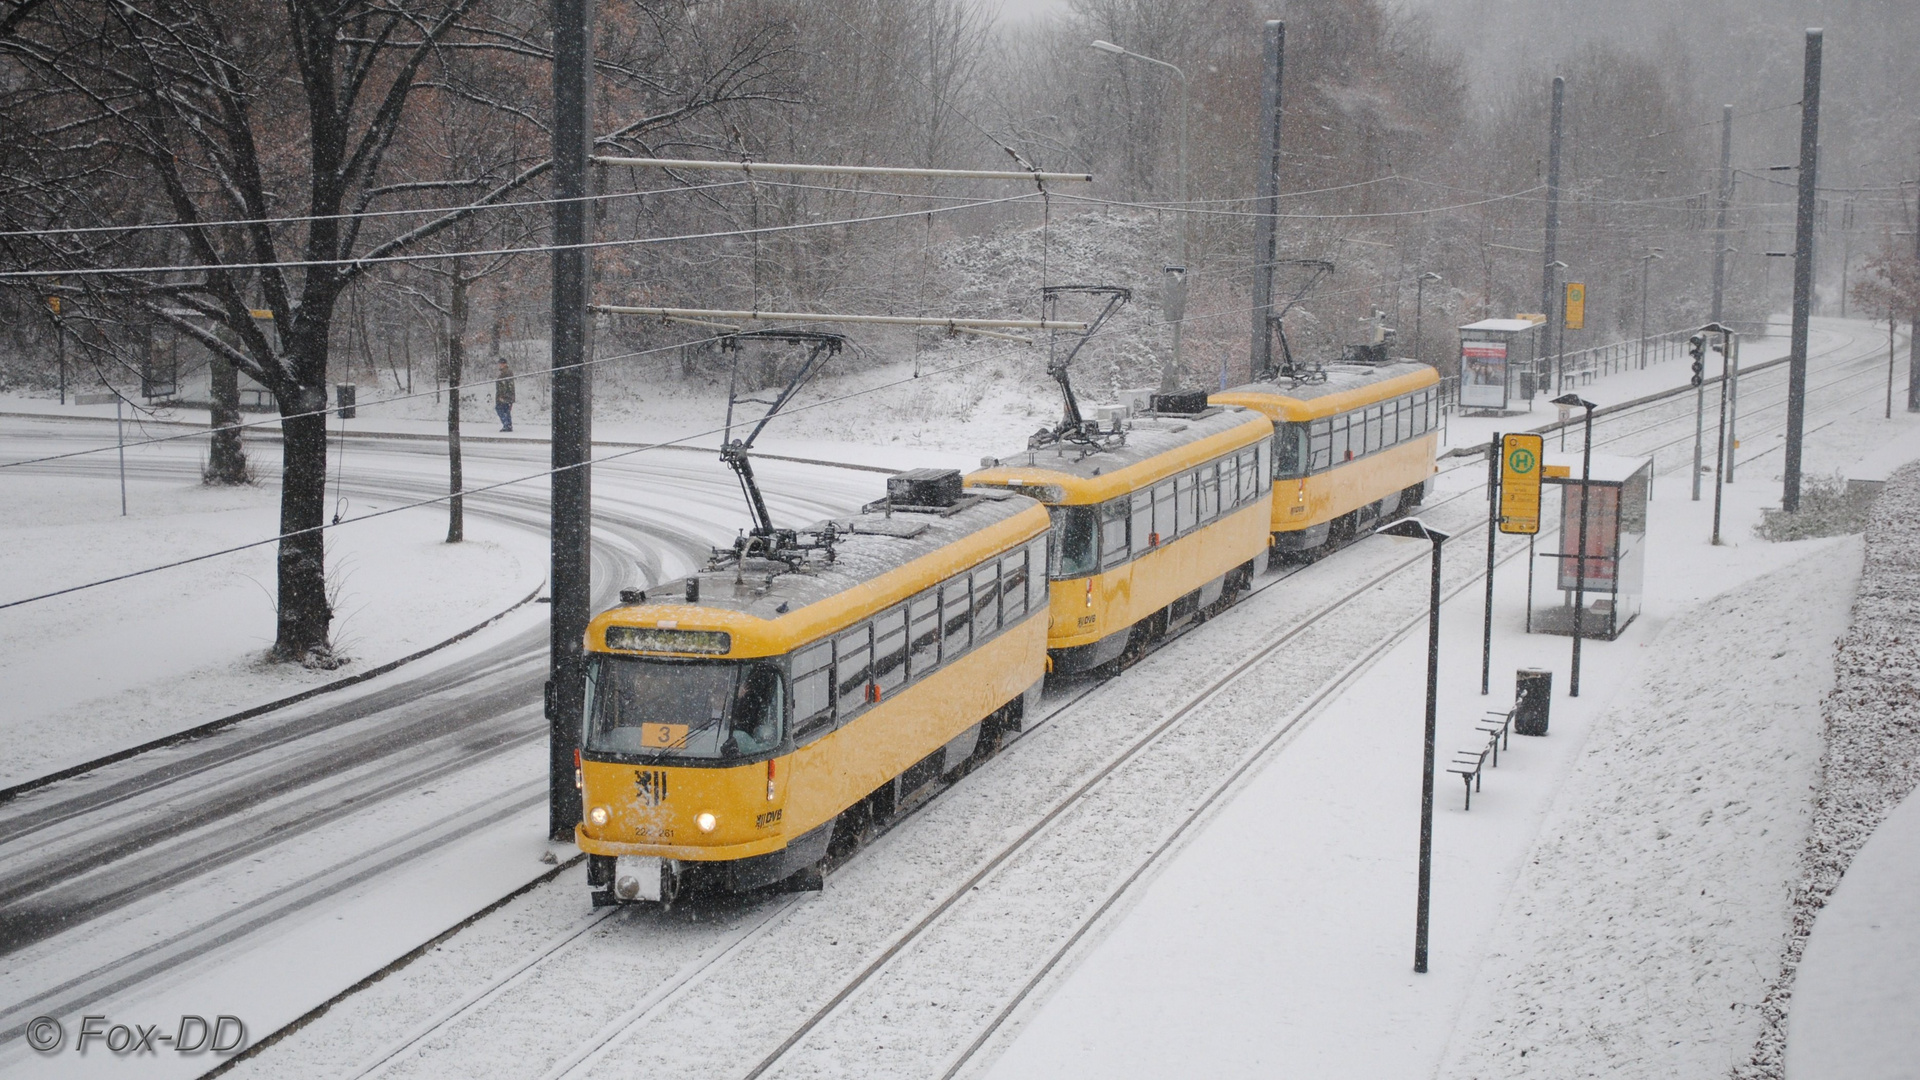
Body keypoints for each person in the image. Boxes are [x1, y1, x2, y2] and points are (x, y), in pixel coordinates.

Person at [494, 358, 515, 431]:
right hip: (507, 396)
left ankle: (506, 424)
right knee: (506, 411)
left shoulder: (506, 373)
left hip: (504, 396)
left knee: (500, 409)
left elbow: (507, 386)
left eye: (501, 364)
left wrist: (502, 396)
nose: (500, 365)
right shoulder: (505, 372)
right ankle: (508, 425)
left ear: (505, 364)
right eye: (500, 364)